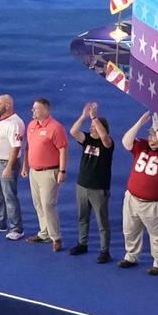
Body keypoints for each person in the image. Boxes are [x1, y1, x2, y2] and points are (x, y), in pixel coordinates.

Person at [119, 112, 158, 274]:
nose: (152, 140)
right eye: (150, 136)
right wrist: (139, 124)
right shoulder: (142, 146)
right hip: (132, 199)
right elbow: (126, 142)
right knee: (130, 230)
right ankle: (131, 256)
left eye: (155, 136)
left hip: (155, 204)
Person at [69, 104, 116, 262]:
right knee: (82, 217)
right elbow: (73, 132)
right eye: (91, 126)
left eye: (95, 126)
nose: (92, 129)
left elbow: (104, 138)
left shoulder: (107, 144)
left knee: (102, 221)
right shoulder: (86, 140)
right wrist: (83, 117)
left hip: (99, 188)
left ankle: (105, 251)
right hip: (82, 185)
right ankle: (82, 243)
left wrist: (94, 118)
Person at [23, 98, 69, 250]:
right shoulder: (31, 126)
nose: (33, 111)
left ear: (45, 111)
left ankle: (56, 237)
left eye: (36, 108)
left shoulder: (56, 128)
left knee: (48, 204)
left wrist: (62, 170)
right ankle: (44, 233)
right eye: (33, 108)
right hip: (34, 171)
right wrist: (25, 166)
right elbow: (28, 148)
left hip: (49, 172)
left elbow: (63, 149)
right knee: (38, 204)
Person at [0, 94, 26, 239]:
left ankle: (16, 228)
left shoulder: (15, 123)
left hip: (5, 163)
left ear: (8, 105)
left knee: (9, 196)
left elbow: (16, 148)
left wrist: (9, 167)